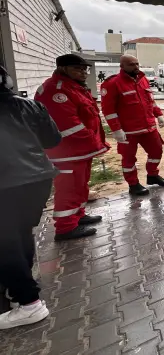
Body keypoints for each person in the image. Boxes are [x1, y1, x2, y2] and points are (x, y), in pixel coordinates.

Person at [0, 66, 60, 329]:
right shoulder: (31, 106)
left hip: (6, 183)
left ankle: (28, 302)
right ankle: (20, 287)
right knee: (20, 233)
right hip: (38, 179)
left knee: (6, 243)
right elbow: (52, 140)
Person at [35, 54, 109, 240]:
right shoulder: (55, 90)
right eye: (77, 68)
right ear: (62, 69)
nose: (83, 72)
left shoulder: (74, 87)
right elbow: (69, 125)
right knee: (69, 188)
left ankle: (78, 216)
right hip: (67, 151)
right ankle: (65, 227)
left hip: (80, 150)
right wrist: (95, 143)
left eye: (84, 69)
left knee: (80, 185)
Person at [101, 55, 164, 196]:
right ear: (122, 66)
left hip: (148, 127)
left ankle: (152, 175)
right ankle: (133, 184)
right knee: (129, 159)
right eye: (131, 64)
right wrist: (116, 129)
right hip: (128, 131)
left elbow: (150, 101)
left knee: (157, 151)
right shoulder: (112, 83)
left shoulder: (143, 80)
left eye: (137, 64)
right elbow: (108, 110)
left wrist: (159, 115)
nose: (136, 67)